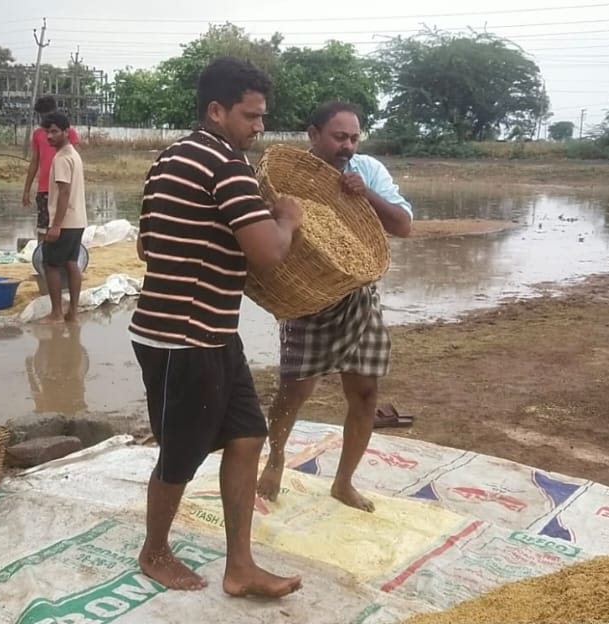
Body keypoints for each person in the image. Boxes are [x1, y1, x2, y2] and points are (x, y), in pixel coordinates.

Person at [131, 56, 304, 598]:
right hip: (181, 336)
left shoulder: (168, 160)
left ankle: (241, 566)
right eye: (251, 116)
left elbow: (144, 244)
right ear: (216, 110)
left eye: (261, 117)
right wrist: (289, 219)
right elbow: (269, 253)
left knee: (248, 435)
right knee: (180, 454)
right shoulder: (227, 166)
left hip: (209, 332)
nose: (259, 127)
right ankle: (154, 551)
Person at [256, 101, 414, 513]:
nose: (347, 146)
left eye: (354, 138)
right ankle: (274, 460)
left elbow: (403, 225)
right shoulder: (290, 177)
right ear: (313, 135)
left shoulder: (368, 171)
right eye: (339, 137)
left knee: (365, 392)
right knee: (294, 390)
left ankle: (343, 483)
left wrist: (367, 195)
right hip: (307, 298)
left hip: (357, 295)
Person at [36, 112, 87, 324]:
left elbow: (64, 193)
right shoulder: (73, 154)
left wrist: (55, 225)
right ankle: (73, 313)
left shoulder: (63, 159)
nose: (50, 136)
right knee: (71, 263)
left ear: (67, 132)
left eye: (55, 131)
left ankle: (56, 313)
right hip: (78, 221)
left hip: (65, 223)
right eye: (48, 132)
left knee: (50, 265)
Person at [23, 95, 81, 238]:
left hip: (63, 187)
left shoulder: (68, 133)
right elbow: (34, 162)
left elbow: (73, 160)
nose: (44, 120)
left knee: (64, 225)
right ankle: (42, 257)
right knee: (43, 229)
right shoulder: (37, 134)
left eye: (46, 115)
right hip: (44, 189)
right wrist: (27, 190)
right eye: (42, 116)